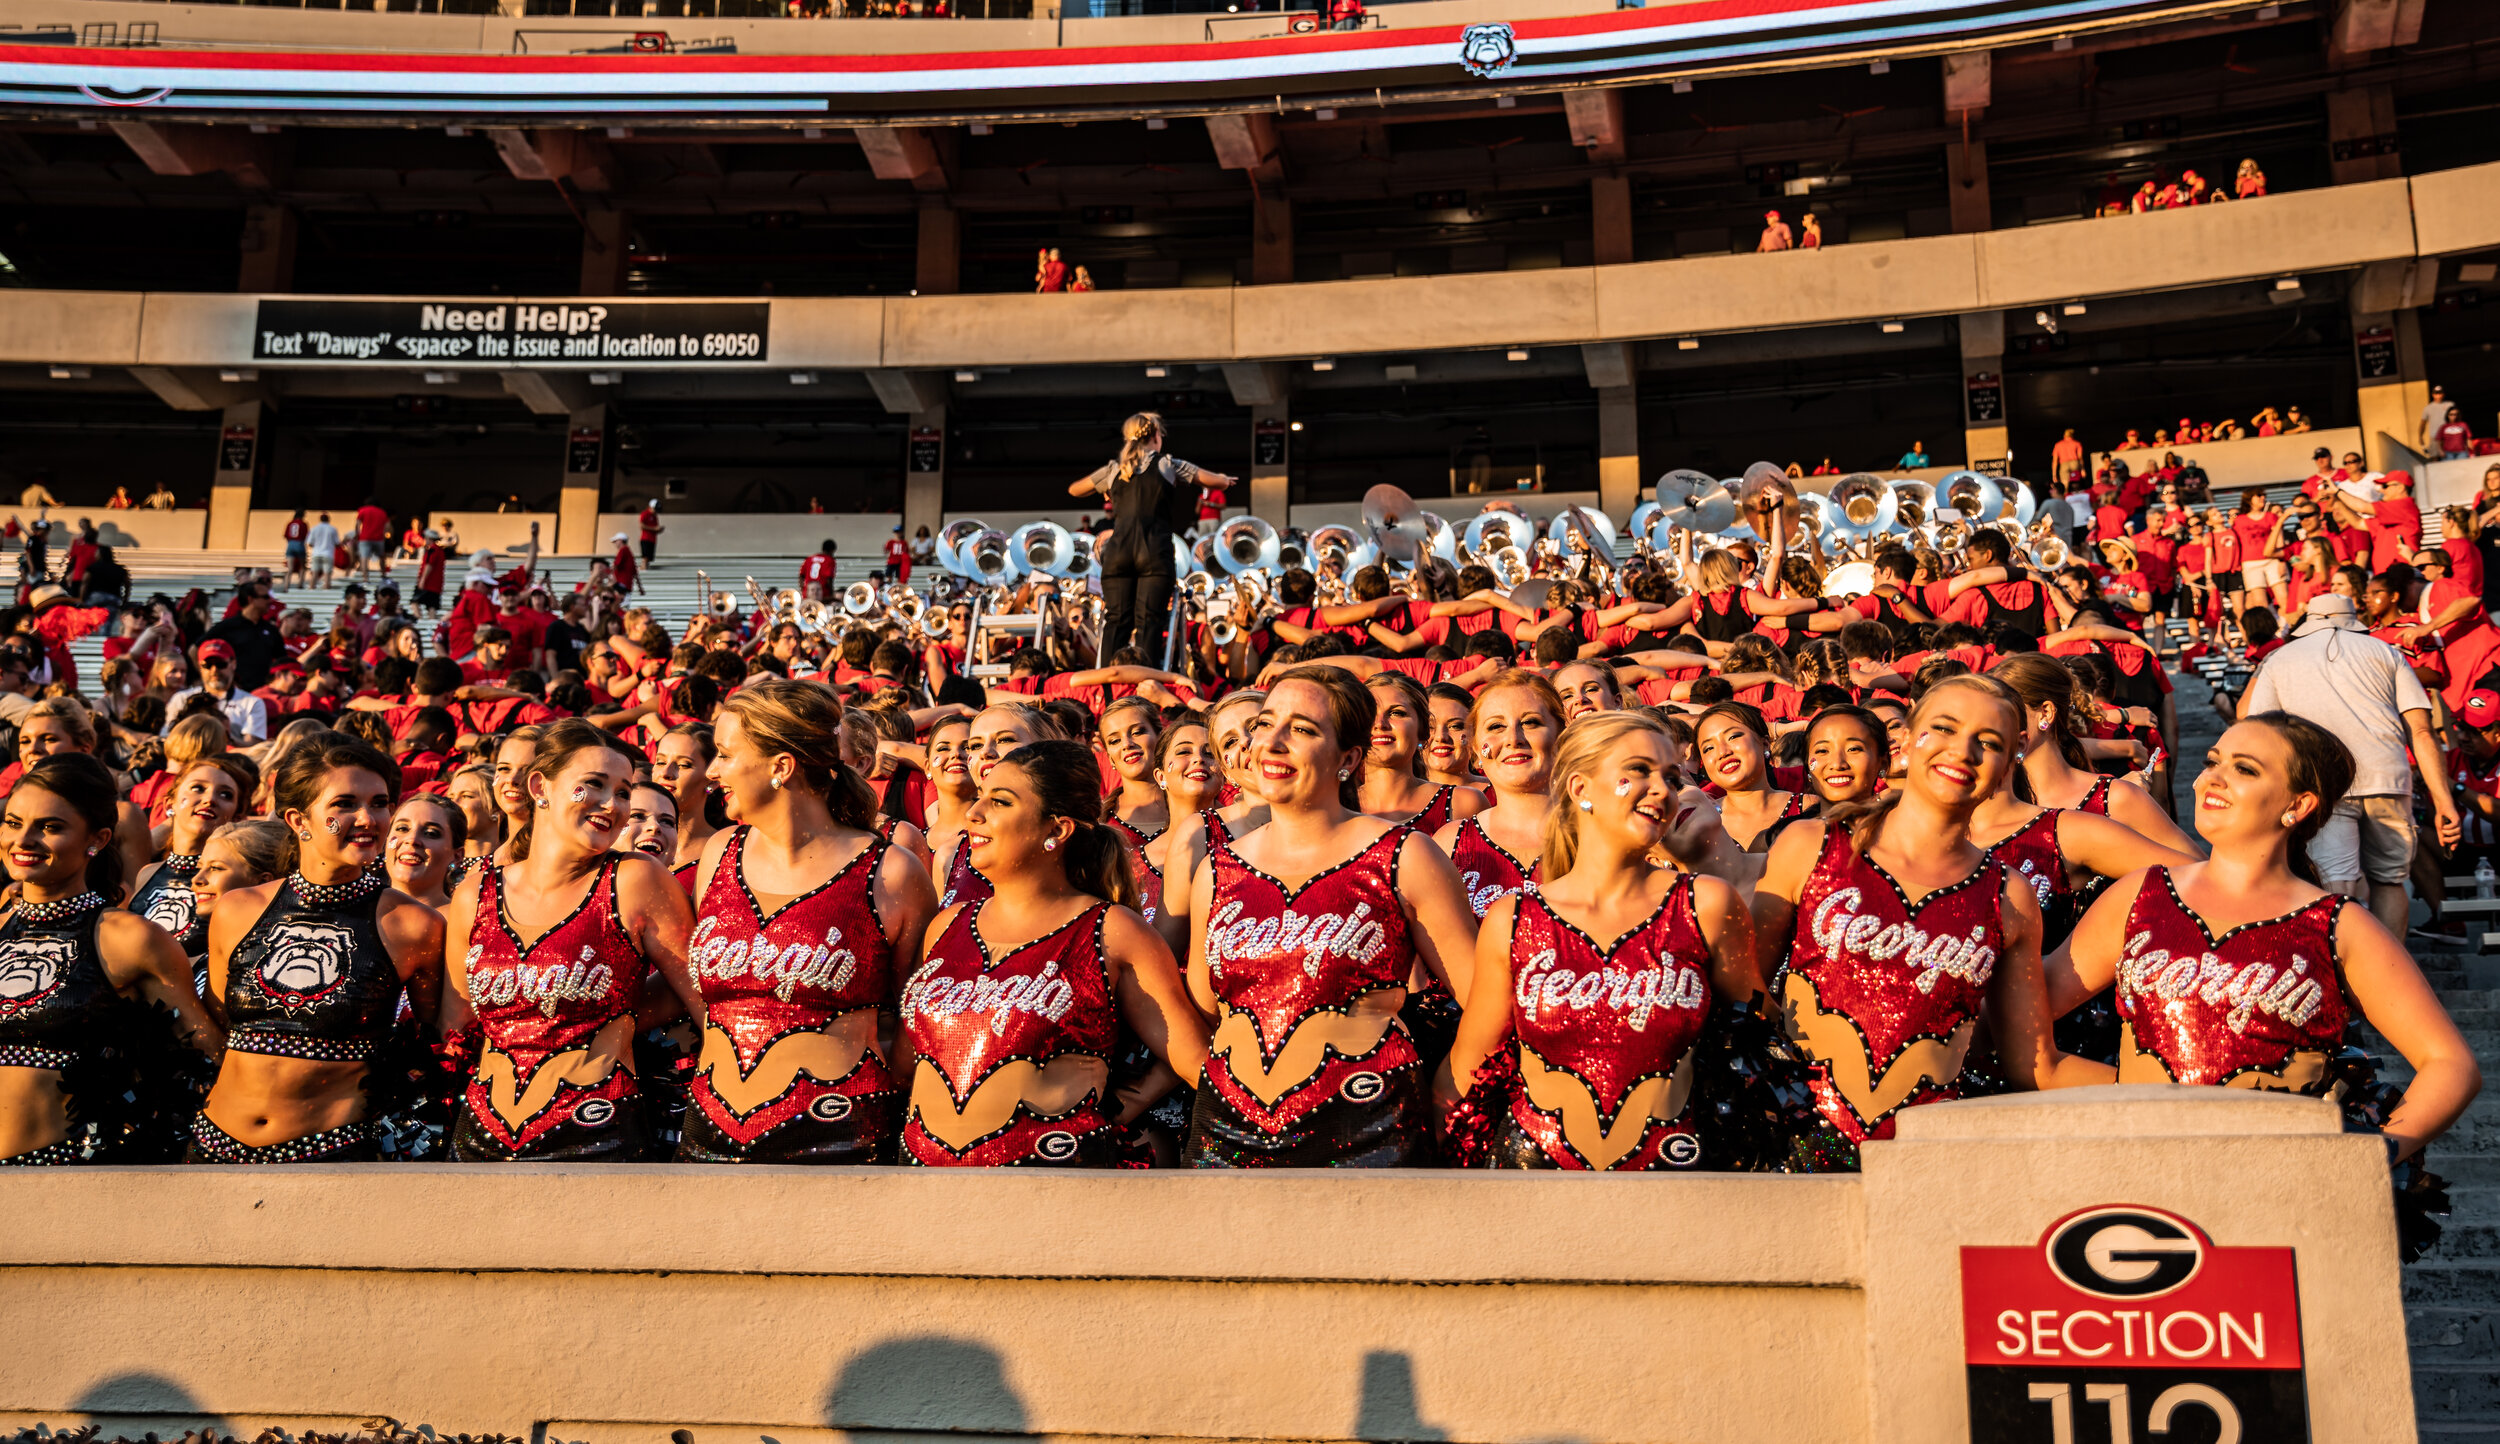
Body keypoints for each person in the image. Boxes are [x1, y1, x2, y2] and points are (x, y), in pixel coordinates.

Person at [2046, 713, 2476, 1163]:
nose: (2213, 779)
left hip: (2276, 1192)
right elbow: (2032, 1012)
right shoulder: (2140, 893)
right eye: (2213, 762)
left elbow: (2452, 1065)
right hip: (2145, 1175)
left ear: (2298, 805)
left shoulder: (2339, 925)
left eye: (2244, 769)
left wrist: (2367, 1162)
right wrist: (2133, 1093)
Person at [1750, 675, 2084, 1168]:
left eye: (1987, 742)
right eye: (1944, 729)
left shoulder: (2010, 894)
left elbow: (2033, 1066)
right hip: (1794, 1155)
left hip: (1931, 1165)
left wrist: (2207, 1085)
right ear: (1905, 741)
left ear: (2011, 759)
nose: (1963, 751)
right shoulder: (1812, 845)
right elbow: (1743, 998)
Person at [1181, 667, 1479, 1166]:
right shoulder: (1215, 869)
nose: (1272, 743)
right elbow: (1205, 1004)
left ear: (1348, 758)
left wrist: (1444, 1097)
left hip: (1368, 1128)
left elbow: (1483, 1004)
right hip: (1226, 1134)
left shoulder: (1406, 855)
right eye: (1265, 724)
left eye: (1302, 729)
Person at [1442, 713, 1762, 1170]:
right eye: (1638, 771)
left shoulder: (1705, 903)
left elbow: (1761, 1047)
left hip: (1677, 1176)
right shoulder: (1514, 917)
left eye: (1671, 777)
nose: (1662, 790)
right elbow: (1470, 1063)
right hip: (1533, 1184)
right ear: (1579, 788)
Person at [896, 738, 1206, 1167]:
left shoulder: (1112, 929)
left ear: (1056, 830)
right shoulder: (946, 925)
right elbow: (908, 1063)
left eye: (1000, 802)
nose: (974, 812)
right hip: (923, 1192)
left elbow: (1196, 1060)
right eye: (980, 795)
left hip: (1054, 1196)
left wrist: (1126, 1107)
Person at [681, 680, 938, 1163]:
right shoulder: (718, 853)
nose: (712, 771)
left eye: (725, 755)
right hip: (706, 1132)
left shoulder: (892, 871)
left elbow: (914, 1023)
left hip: (839, 1137)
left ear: (781, 766)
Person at [441, 721, 695, 1161]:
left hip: (598, 1134)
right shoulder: (475, 892)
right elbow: (455, 1027)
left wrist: (620, 1011)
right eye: (593, 785)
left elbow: (702, 992)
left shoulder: (635, 879)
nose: (610, 805)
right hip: (480, 1138)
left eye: (621, 792)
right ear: (540, 786)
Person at [194, 735, 445, 1164]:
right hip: (214, 1148)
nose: (368, 818)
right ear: (298, 819)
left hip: (335, 1156)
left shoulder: (414, 925)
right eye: (344, 804)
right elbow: (215, 1027)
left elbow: (434, 1046)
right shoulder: (237, 909)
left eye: (380, 803)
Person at [0, 755, 223, 1164]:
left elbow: (206, 1058)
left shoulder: (129, 937)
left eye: (50, 827)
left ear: (98, 840)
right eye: (13, 822)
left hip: (70, 1181)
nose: (23, 840)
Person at [2240, 593, 2460, 936]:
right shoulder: (2388, 654)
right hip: (2387, 776)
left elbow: (2256, 727)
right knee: (2389, 882)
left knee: (2334, 885)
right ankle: (2391, 976)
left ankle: (2338, 977)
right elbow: (2421, 731)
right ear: (2353, 619)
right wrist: (2443, 799)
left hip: (2323, 782)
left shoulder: (2280, 658)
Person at [1068, 412, 1237, 668]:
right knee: (1149, 621)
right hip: (1154, 551)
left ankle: (1107, 688)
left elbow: (1075, 489)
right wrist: (1225, 480)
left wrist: (1106, 486)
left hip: (1119, 551)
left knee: (1116, 621)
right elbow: (1215, 482)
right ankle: (1145, 687)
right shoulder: (1168, 463)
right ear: (1156, 436)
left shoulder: (1115, 469)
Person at [1432, 670, 1559, 918]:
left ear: (1561, 738)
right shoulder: (1450, 843)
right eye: (1496, 726)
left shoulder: (1598, 834)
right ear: (1477, 750)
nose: (1513, 739)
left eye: (1531, 722)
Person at [127, 756, 255, 987]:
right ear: (170, 803)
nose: (209, 799)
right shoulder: (147, 873)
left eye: (225, 794)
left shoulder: (235, 879)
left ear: (237, 816)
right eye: (198, 788)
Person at [1358, 671, 1484, 833]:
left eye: (1396, 713)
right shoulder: (1335, 805)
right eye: (1370, 713)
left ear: (1423, 731)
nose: (1380, 724)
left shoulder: (1465, 803)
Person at [651, 722, 719, 894]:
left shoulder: (724, 851)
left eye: (683, 765)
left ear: (712, 780)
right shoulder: (624, 839)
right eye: (660, 761)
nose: (666, 772)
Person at [384, 793, 462, 911]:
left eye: (431, 833)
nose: (412, 840)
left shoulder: (467, 921)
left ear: (457, 856)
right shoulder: (356, 911)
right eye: (402, 828)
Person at [305, 513, 339, 591]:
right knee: (327, 573)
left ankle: (312, 587)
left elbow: (310, 543)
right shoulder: (332, 529)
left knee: (314, 572)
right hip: (328, 553)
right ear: (328, 519)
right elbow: (337, 543)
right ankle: (326, 587)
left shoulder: (314, 528)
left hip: (316, 553)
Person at [282, 509, 309, 590]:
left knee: (290, 568)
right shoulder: (303, 524)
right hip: (299, 543)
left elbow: (286, 535)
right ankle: (300, 584)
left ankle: (286, 586)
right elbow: (306, 536)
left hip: (290, 544)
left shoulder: (290, 523)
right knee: (302, 566)